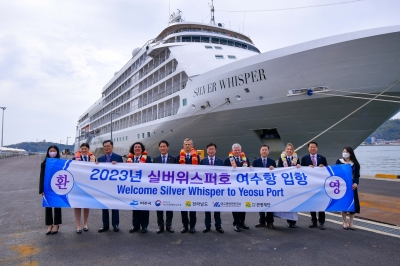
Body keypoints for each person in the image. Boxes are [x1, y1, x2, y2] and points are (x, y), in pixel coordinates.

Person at [300, 141, 328, 230]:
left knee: (321, 204)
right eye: (311, 147)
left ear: (317, 148)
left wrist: (323, 167)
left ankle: (321, 222)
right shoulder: (304, 159)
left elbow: (327, 171)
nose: (312, 149)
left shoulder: (322, 158)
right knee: (312, 204)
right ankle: (313, 221)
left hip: (320, 184)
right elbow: (301, 171)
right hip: (310, 185)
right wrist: (307, 168)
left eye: (314, 147)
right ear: (308, 148)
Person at [96, 140, 123, 233]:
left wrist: (118, 165)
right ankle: (105, 225)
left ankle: (115, 224)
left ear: (112, 147)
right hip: (104, 186)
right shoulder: (99, 159)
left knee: (115, 206)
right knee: (104, 206)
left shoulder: (118, 158)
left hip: (114, 186)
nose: (106, 148)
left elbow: (123, 171)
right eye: (105, 146)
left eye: (108, 146)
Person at [224, 143, 251, 232]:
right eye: (235, 150)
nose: (237, 152)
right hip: (233, 186)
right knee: (235, 205)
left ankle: (242, 222)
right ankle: (236, 223)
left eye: (238, 150)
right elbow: (224, 172)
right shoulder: (228, 160)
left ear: (241, 150)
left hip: (243, 187)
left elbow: (249, 171)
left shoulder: (245, 159)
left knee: (243, 205)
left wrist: (251, 168)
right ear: (232, 151)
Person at [127, 142, 152, 233]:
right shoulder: (129, 159)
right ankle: (136, 225)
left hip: (144, 186)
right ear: (133, 149)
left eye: (139, 147)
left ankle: (144, 226)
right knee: (135, 206)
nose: (137, 148)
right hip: (134, 187)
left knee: (144, 206)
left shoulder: (148, 158)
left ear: (142, 149)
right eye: (135, 147)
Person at [152, 140, 177, 234]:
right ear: (159, 148)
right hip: (159, 187)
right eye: (161, 147)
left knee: (169, 206)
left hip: (170, 187)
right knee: (159, 206)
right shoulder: (155, 159)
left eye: (164, 146)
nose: (162, 148)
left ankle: (169, 225)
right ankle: (160, 225)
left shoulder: (173, 159)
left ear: (168, 147)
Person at [177, 138, 200, 234]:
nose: (187, 146)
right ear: (183, 146)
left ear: (192, 146)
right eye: (185, 144)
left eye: (189, 144)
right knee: (184, 208)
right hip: (182, 186)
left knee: (192, 207)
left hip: (193, 186)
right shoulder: (178, 157)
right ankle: (185, 226)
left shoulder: (197, 157)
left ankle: (192, 226)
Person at [200, 143, 224, 233]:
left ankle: (218, 226)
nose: (211, 151)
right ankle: (207, 226)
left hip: (217, 188)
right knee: (207, 208)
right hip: (206, 188)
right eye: (209, 149)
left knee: (217, 208)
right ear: (207, 151)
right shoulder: (202, 161)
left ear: (215, 150)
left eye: (212, 149)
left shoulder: (220, 161)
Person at [71, 143, 95, 234]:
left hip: (88, 185)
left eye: (85, 149)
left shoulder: (93, 159)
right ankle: (78, 225)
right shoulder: (74, 159)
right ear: (80, 150)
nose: (84, 150)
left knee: (86, 205)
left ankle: (85, 224)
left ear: (88, 149)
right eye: (82, 149)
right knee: (77, 205)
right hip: (77, 185)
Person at [336, 146, 360, 230]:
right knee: (344, 204)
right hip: (343, 186)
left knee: (352, 204)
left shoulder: (355, 163)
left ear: (350, 153)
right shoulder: (339, 161)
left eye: (346, 151)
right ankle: (344, 221)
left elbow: (357, 176)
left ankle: (351, 222)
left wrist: (356, 183)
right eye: (343, 151)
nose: (344, 153)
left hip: (352, 186)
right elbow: (337, 173)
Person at [252, 144, 277, 228]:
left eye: (266, 150)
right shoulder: (255, 162)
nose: (264, 151)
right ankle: (261, 221)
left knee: (270, 204)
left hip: (270, 187)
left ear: (268, 151)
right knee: (261, 204)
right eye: (263, 150)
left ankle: (270, 222)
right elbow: (252, 174)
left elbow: (277, 173)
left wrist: (273, 168)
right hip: (260, 187)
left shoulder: (272, 162)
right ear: (260, 151)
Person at [39, 145, 62, 235]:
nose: (52, 152)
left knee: (57, 206)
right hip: (47, 187)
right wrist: (41, 189)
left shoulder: (60, 162)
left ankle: (56, 224)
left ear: (57, 152)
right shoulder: (44, 163)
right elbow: (41, 177)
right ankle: (49, 225)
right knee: (48, 207)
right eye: (51, 150)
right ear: (48, 152)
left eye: (54, 151)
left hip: (57, 186)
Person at [277, 143, 301, 228]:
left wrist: (299, 166)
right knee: (287, 202)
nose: (289, 151)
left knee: (294, 202)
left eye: (291, 149)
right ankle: (288, 220)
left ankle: (293, 221)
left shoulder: (296, 158)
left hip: (293, 184)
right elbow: (279, 168)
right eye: (288, 149)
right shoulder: (281, 158)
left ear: (293, 150)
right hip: (285, 183)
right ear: (285, 150)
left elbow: (299, 170)